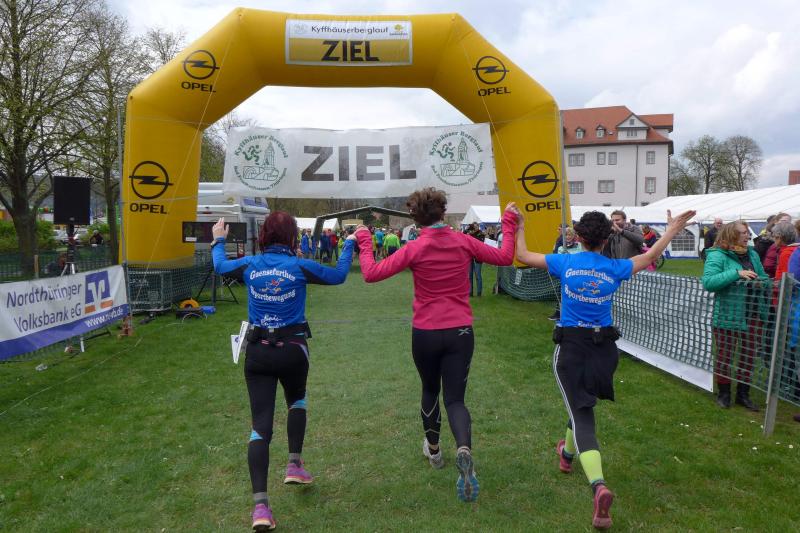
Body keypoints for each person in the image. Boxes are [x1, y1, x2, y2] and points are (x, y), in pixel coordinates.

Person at [514, 208, 696, 530]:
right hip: (605, 352)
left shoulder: (565, 262)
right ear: (607, 238)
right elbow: (651, 255)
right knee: (581, 404)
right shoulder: (615, 268)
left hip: (572, 348)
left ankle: (598, 486)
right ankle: (566, 456)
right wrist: (671, 230)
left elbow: (523, 255)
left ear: (579, 237)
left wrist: (519, 226)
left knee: (582, 415)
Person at [354, 188, 519, 503]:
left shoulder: (415, 247)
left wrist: (364, 239)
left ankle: (434, 451)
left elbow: (371, 273)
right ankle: (463, 448)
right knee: (455, 400)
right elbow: (504, 257)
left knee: (430, 390)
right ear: (443, 211)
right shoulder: (463, 241)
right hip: (460, 331)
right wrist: (509, 222)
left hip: (426, 332)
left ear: (415, 218)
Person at [211, 213, 356, 531]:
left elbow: (220, 266)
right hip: (293, 350)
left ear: (263, 235)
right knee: (297, 401)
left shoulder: (250, 264)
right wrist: (348, 244)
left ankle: (260, 508)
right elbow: (339, 276)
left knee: (260, 427)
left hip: (258, 352)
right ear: (292, 237)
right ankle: (294, 464)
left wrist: (218, 239)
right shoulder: (299, 266)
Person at [702, 221, 770, 412]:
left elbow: (764, 277)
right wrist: (737, 273)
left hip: (753, 313)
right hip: (728, 313)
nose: (747, 236)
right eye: (742, 233)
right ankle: (724, 393)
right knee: (725, 355)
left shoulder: (753, 254)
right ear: (730, 235)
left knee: (748, 356)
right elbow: (709, 282)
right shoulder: (717, 255)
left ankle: (743, 394)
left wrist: (761, 282)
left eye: (747, 233)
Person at [465, 222, 486, 296]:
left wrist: (472, 234)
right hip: (470, 257)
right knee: (470, 275)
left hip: (478, 258)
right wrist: (468, 228)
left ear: (478, 226)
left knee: (478, 275)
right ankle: (470, 292)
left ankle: (479, 293)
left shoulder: (481, 234)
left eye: (476, 226)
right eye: (474, 227)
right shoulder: (470, 233)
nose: (475, 228)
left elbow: (479, 242)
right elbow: (463, 234)